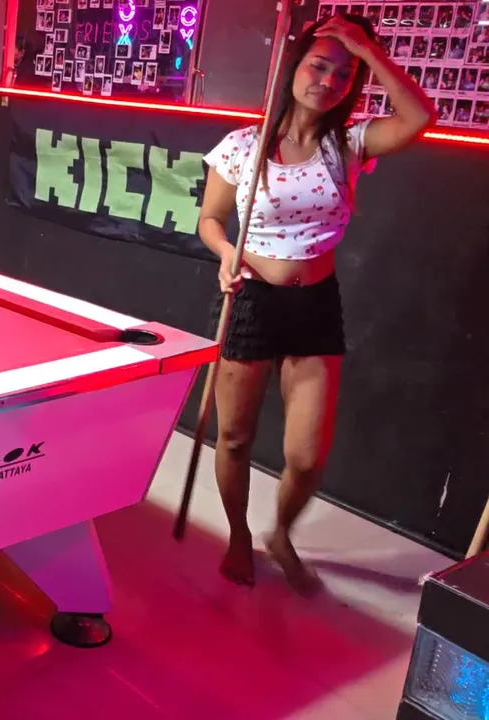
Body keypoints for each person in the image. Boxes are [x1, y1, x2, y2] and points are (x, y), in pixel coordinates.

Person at [199, 14, 433, 593]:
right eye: (318, 65)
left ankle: (280, 533)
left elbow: (420, 118)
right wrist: (226, 253)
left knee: (306, 457)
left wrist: (367, 50)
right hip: (252, 299)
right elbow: (210, 220)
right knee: (235, 438)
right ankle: (237, 536)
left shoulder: (348, 145)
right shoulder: (244, 146)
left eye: (343, 73)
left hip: (316, 307)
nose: (327, 80)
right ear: (294, 67)